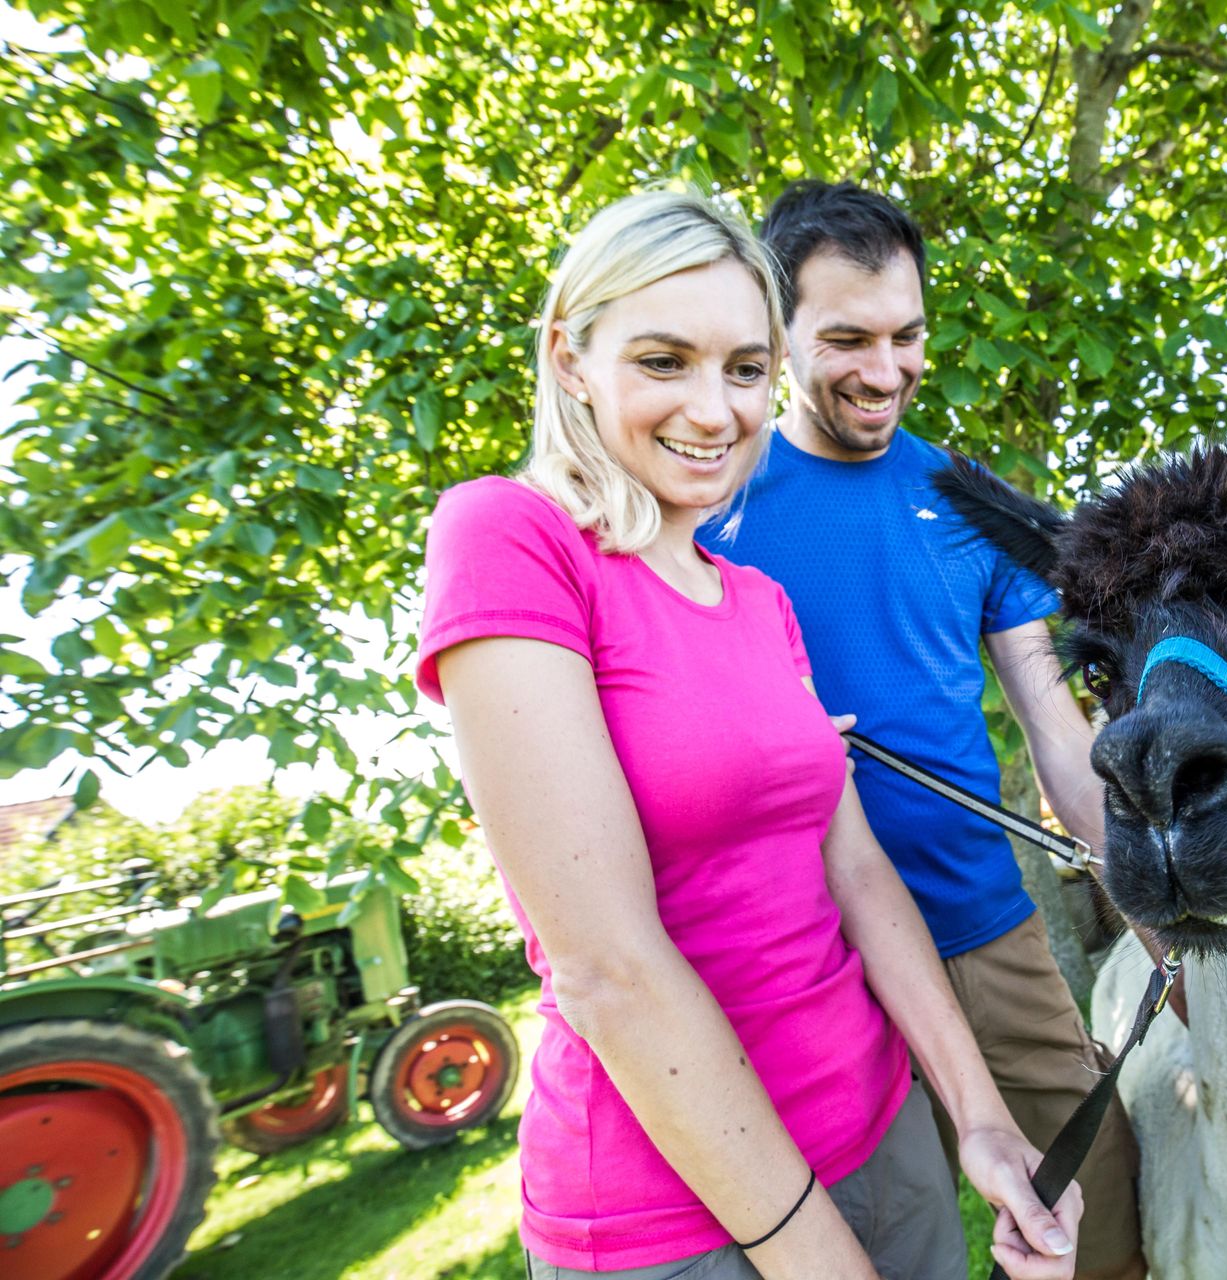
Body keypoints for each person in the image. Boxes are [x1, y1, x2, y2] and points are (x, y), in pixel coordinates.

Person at [414, 189, 1082, 1280]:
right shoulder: (512, 534)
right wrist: (814, 1253)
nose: (716, 411)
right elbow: (606, 966)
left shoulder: (761, 600)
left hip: (880, 1136)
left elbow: (858, 872)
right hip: (673, 1208)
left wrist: (978, 1117)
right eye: (665, 360)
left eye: (744, 369)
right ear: (570, 357)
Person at [702, 181, 1147, 1280]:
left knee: (1098, 1216)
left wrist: (1149, 903)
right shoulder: (709, 496)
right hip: (797, 952)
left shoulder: (970, 498)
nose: (886, 369)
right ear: (775, 331)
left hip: (980, 922)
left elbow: (1056, 725)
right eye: (847, 339)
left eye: (906, 336)